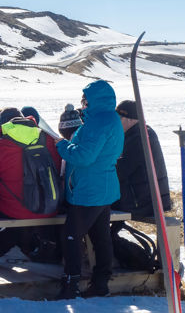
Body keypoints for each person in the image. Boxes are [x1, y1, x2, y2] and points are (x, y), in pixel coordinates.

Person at [0, 108, 62, 266]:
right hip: (50, 204)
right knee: (24, 215)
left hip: (16, 208)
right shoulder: (48, 139)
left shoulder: (0, 146)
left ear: (4, 125)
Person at [55, 80, 124, 299]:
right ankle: (100, 284)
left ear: (94, 100)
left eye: (85, 100)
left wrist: (62, 145)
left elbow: (84, 156)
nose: (83, 104)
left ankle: (71, 284)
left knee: (71, 236)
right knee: (100, 237)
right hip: (103, 186)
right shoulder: (109, 118)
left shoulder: (98, 122)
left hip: (89, 189)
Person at [113, 100, 172, 218]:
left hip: (142, 202)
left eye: (118, 118)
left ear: (132, 119)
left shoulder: (140, 138)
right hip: (145, 198)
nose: (115, 122)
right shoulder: (138, 133)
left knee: (96, 202)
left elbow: (121, 170)